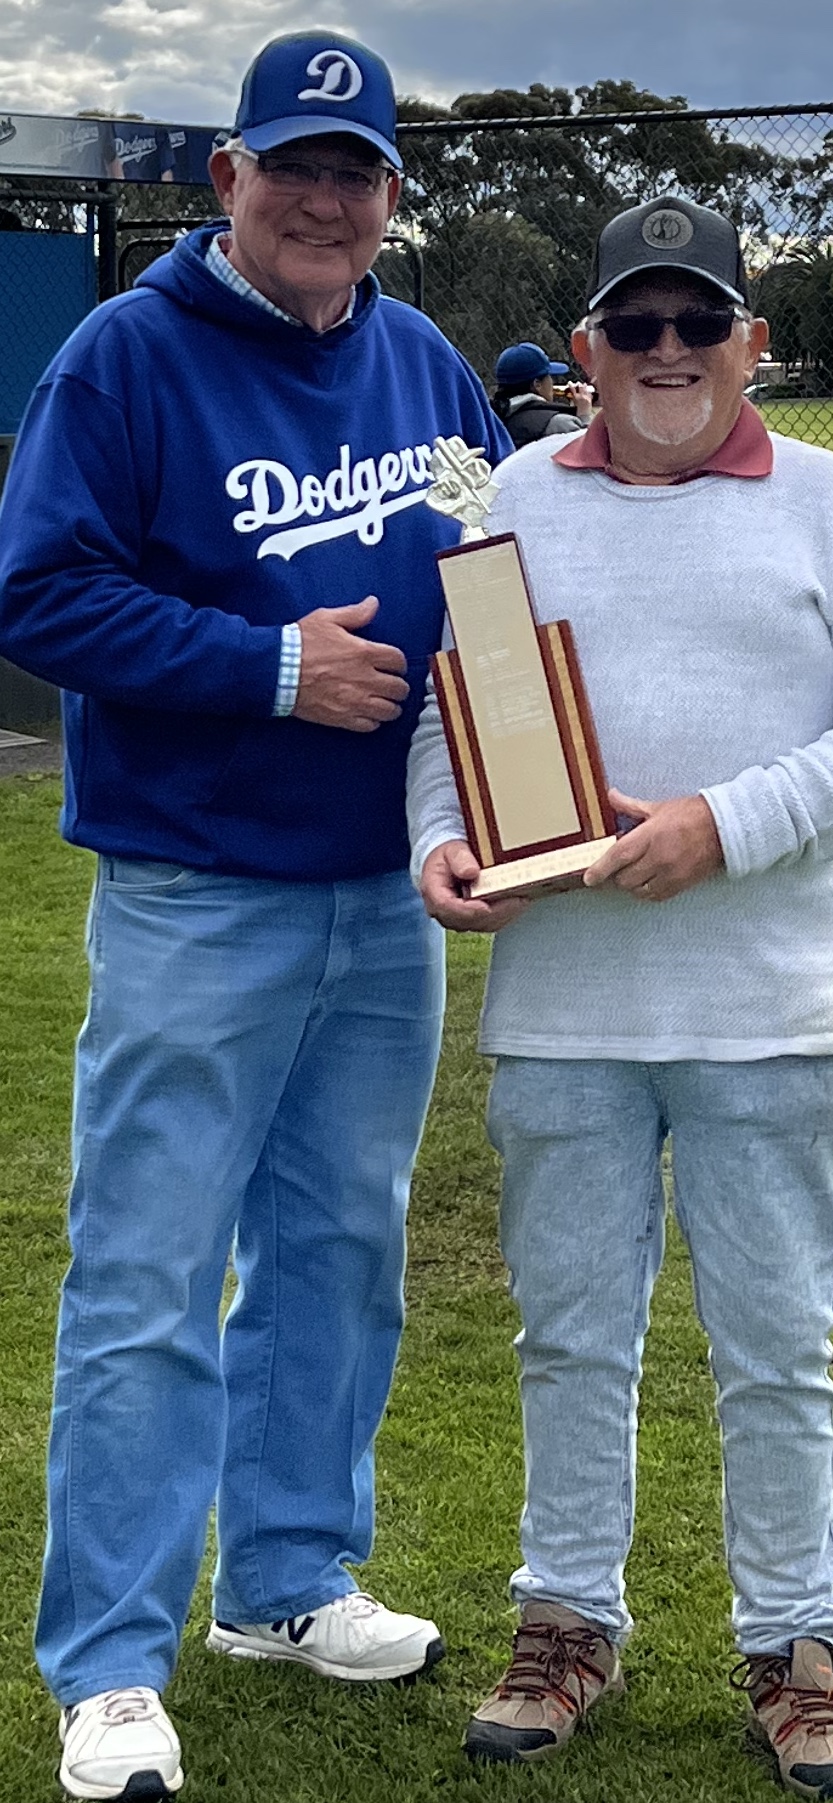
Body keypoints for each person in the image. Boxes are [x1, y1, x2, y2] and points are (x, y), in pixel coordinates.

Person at [0, 29, 509, 1803]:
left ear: (385, 198)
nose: (321, 197)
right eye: (289, 163)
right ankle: (113, 1659)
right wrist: (263, 666)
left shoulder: (425, 360)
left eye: (353, 170)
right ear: (226, 181)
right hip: (196, 888)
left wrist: (517, 800)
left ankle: (283, 1583)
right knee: (146, 1265)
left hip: (381, 890)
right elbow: (40, 589)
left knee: (337, 1252)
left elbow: (488, 588)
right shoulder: (124, 356)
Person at [408, 194, 833, 1797]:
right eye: (632, 326)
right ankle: (564, 1620)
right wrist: (442, 843)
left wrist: (722, 826)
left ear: (752, 345)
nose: (664, 353)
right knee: (569, 1337)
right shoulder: (507, 499)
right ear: (585, 347)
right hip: (562, 1005)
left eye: (696, 324)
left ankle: (796, 1646)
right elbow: (459, 733)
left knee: (775, 1344)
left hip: (767, 1007)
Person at [491, 341, 594, 448]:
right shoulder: (558, 423)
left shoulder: (495, 418)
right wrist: (584, 416)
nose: (552, 382)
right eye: (549, 377)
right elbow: (590, 453)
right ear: (537, 384)